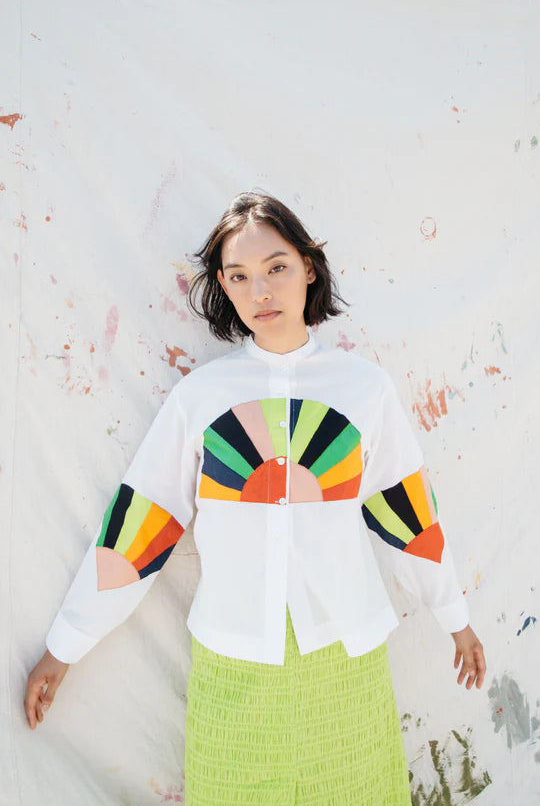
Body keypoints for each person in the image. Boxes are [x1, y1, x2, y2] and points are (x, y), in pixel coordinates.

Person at [24, 191, 486, 805]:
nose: (260, 291)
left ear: (308, 268)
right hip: (233, 663)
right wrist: (64, 647)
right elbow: (141, 526)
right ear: (223, 284)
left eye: (277, 267)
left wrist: (456, 619)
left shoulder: (363, 389)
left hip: (345, 658)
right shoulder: (201, 397)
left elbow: (406, 514)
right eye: (239, 276)